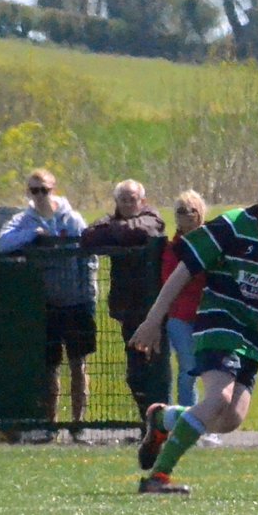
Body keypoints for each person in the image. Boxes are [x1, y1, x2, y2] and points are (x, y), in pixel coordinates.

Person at [130, 162, 258, 494]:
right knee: (218, 398)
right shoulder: (232, 225)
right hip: (219, 324)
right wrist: (153, 320)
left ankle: (163, 420)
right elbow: (183, 271)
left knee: (230, 419)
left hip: (251, 337)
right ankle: (157, 478)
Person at [0, 168, 95, 438]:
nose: (40, 195)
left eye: (44, 189)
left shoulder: (72, 219)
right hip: (46, 306)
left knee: (78, 365)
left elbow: (89, 257)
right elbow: (4, 243)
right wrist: (33, 234)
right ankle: (50, 426)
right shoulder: (23, 220)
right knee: (49, 369)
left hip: (76, 303)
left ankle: (78, 425)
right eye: (34, 190)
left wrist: (88, 294)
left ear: (54, 189)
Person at [82, 178, 170, 418]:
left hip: (155, 310)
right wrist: (120, 231)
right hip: (128, 310)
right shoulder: (110, 221)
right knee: (135, 374)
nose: (129, 204)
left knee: (156, 371)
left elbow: (144, 231)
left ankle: (163, 423)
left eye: (133, 199)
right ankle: (147, 421)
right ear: (116, 202)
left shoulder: (153, 217)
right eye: (123, 200)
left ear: (142, 200)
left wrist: (115, 231)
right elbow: (88, 236)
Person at [163, 190, 208, 422]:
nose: (186, 215)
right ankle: (185, 419)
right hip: (180, 316)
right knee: (188, 367)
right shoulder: (173, 248)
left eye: (191, 210)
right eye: (181, 211)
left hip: (206, 316)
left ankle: (200, 417)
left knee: (209, 369)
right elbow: (169, 279)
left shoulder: (210, 243)